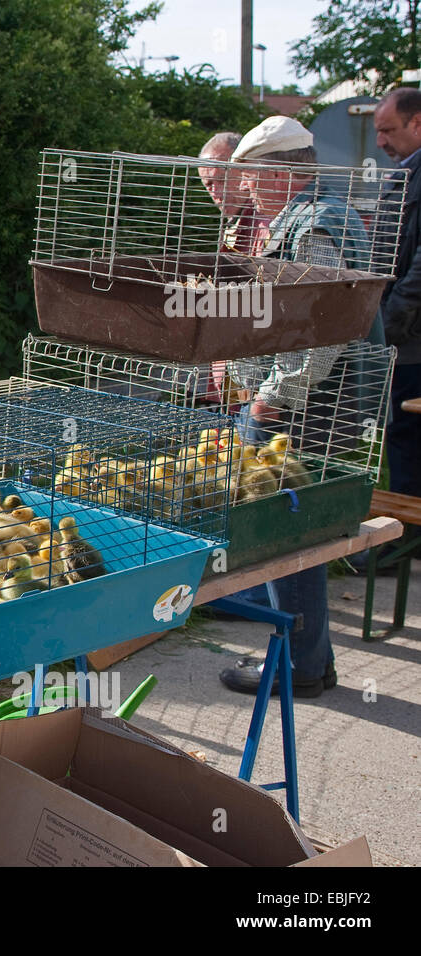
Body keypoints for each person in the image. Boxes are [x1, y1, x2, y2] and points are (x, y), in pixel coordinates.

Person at [212, 116, 367, 698]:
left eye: (250, 176)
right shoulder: (308, 217)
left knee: (288, 538)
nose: (244, 188)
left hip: (296, 411)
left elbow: (324, 327)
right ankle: (309, 661)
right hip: (287, 404)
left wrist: (274, 398)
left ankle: (300, 668)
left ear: (278, 172)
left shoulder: (317, 225)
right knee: (289, 537)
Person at [372, 87, 421, 512]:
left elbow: (417, 271)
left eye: (388, 130)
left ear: (417, 122)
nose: (380, 142)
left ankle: (402, 539)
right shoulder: (405, 173)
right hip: (402, 337)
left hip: (410, 342)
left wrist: (389, 323)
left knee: (406, 442)